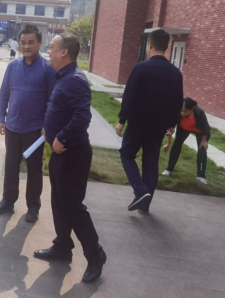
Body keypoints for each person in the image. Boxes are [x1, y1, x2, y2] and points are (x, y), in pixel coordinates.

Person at [34, 34, 106, 284]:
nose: (48, 51)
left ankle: (96, 256)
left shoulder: (75, 79)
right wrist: (49, 127)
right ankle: (63, 246)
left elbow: (82, 116)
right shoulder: (63, 76)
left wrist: (62, 137)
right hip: (60, 153)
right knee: (58, 202)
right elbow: (63, 110)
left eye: (52, 47)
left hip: (72, 154)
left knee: (73, 207)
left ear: (64, 52)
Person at [0, 25, 57, 223]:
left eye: (31, 42)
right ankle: (8, 200)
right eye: (23, 43)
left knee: (34, 169)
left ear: (39, 43)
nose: (26, 46)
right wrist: (1, 118)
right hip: (13, 126)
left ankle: (33, 206)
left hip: (35, 130)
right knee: (11, 166)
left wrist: (47, 125)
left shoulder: (47, 68)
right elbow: (4, 94)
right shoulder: (13, 66)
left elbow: (52, 100)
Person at [116, 29, 183, 213]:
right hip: (159, 126)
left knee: (126, 155)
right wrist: (172, 124)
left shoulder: (141, 68)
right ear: (167, 47)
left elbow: (129, 96)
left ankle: (140, 191)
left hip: (138, 123)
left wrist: (122, 120)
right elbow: (177, 101)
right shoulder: (175, 73)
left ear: (150, 45)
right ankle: (144, 205)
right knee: (150, 162)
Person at [162, 97, 211, 184]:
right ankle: (169, 169)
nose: (183, 113)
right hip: (184, 128)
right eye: (181, 110)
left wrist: (204, 141)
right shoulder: (177, 112)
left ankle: (201, 176)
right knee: (176, 145)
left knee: (202, 150)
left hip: (200, 132)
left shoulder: (199, 113)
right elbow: (170, 129)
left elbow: (205, 128)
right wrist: (168, 144)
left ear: (191, 109)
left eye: (185, 111)